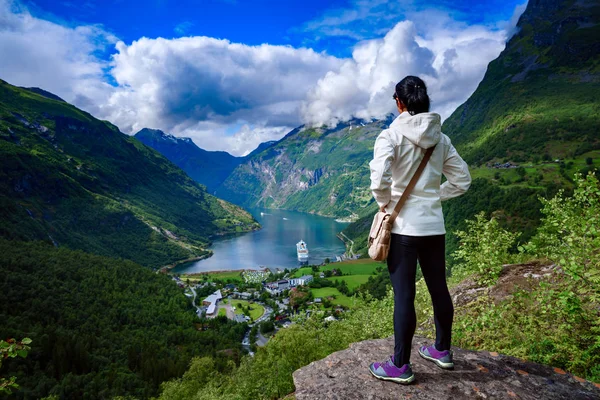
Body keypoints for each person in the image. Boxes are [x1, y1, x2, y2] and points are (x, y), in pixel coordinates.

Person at [367, 76, 471, 384]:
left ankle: (400, 365)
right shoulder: (442, 139)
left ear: (399, 103)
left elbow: (378, 182)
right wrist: (432, 196)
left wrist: (388, 205)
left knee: (404, 296)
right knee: (439, 287)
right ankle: (441, 350)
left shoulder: (390, 136)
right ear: (424, 100)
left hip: (402, 230)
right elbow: (462, 181)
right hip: (433, 227)